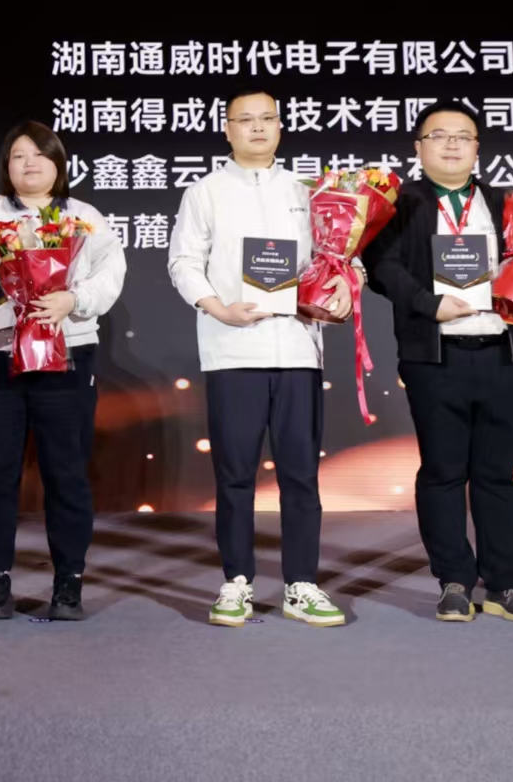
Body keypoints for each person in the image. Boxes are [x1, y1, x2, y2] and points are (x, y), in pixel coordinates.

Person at [362, 100, 513, 625]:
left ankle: (504, 583)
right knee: (442, 472)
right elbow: (381, 266)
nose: (452, 143)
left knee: (497, 474)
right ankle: (454, 581)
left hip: (501, 352)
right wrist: (428, 303)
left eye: (463, 135)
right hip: (435, 356)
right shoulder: (399, 204)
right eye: (439, 135)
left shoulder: (509, 203)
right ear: (419, 147)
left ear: (478, 147)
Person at [167, 90, 350, 628]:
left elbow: (336, 258)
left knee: (301, 474)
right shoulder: (205, 191)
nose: (257, 128)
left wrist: (346, 282)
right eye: (245, 120)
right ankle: (236, 581)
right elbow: (183, 262)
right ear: (227, 129)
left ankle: (302, 584)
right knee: (235, 475)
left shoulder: (309, 191)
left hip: (298, 347)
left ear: (280, 126)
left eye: (267, 118)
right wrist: (218, 309)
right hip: (232, 350)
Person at [0, 121, 127, 622]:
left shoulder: (83, 217)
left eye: (40, 155)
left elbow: (111, 275)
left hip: (66, 356)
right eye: (18, 155)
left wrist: (73, 299)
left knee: (66, 472)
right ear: (7, 165)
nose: (29, 164)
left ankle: (69, 583)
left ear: (59, 163)